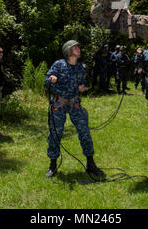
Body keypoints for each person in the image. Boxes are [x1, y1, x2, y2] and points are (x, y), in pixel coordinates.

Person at [45, 40, 104, 179]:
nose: (78, 49)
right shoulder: (59, 64)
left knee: (85, 132)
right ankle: (52, 165)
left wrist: (82, 87)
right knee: (55, 133)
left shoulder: (81, 67)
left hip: (75, 104)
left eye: (78, 46)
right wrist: (52, 79)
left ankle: (90, 164)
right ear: (68, 51)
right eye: (75, 47)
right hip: (59, 104)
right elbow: (47, 80)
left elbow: (81, 82)